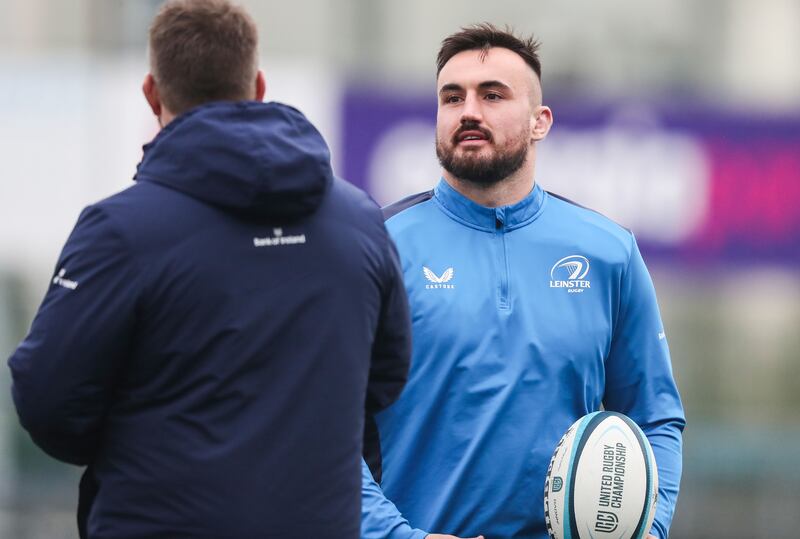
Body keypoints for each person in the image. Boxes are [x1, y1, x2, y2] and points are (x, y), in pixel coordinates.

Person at [7, 1, 411, 538]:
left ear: (152, 92)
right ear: (260, 84)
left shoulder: (120, 230)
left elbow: (49, 405)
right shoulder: (358, 219)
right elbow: (384, 380)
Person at [360, 24, 685, 539]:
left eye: (492, 95)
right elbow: (323, 428)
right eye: (452, 97)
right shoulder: (376, 245)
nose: (469, 110)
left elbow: (655, 418)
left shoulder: (609, 251)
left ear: (541, 121)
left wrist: (650, 527)